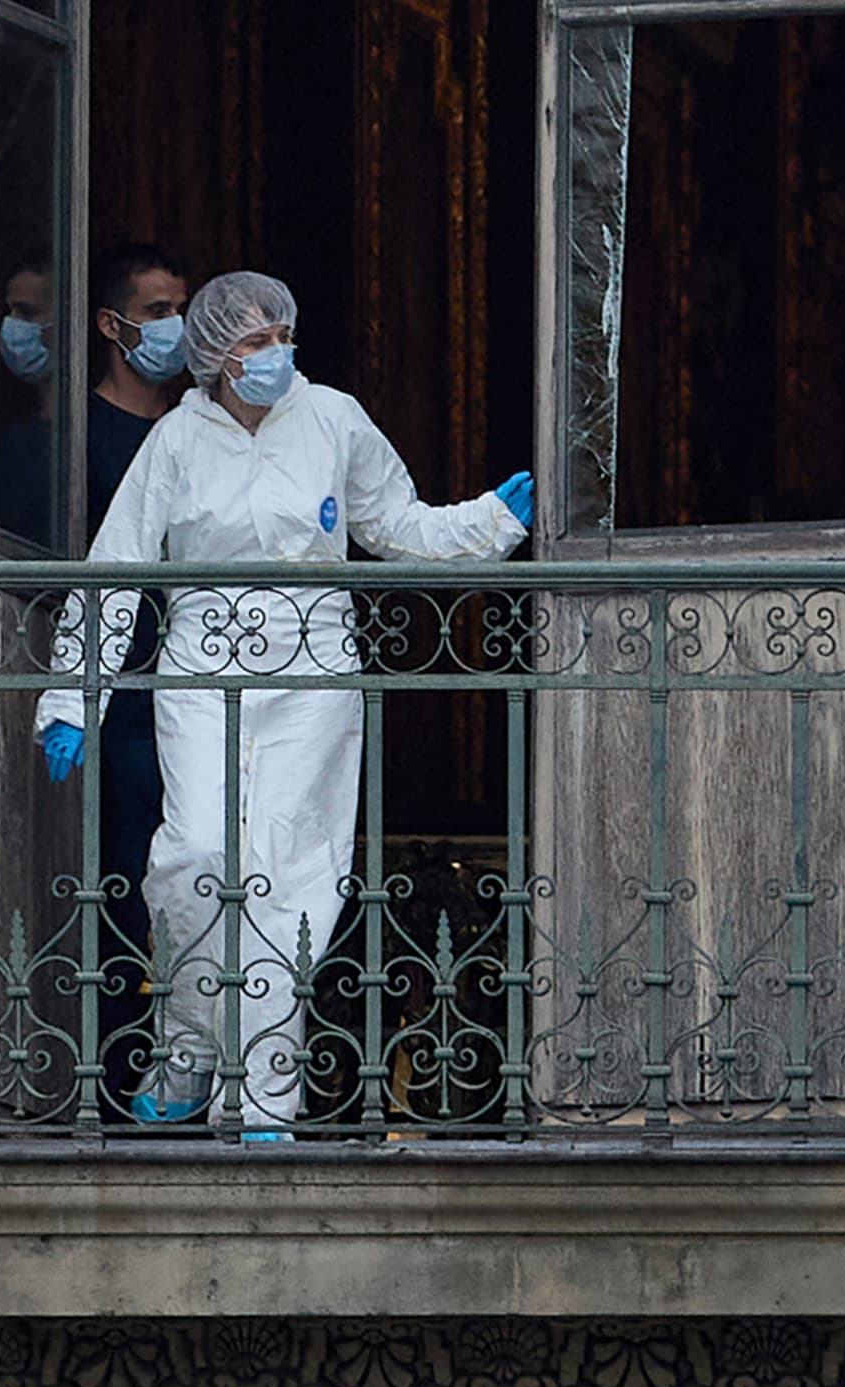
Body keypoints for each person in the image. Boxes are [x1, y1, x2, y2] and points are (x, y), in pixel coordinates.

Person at [34, 270, 534, 1138]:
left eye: (280, 336)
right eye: (253, 341)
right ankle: (188, 1055)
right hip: (201, 669)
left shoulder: (332, 417)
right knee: (193, 857)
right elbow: (117, 565)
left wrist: (488, 523)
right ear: (213, 353)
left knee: (289, 879)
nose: (273, 354)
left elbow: (396, 526)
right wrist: (75, 695)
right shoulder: (178, 439)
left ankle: (262, 1094)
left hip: (312, 672)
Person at [78, 244, 190, 1112]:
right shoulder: (73, 440)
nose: (175, 328)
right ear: (113, 326)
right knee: (122, 888)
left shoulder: (200, 430)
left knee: (204, 884)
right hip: (118, 701)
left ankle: (200, 1079)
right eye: (157, 312)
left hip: (196, 688)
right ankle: (115, 1081)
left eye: (181, 308)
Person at [0, 255, 56, 547]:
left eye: (27, 313)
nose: (13, 326)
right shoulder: (9, 437)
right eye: (10, 312)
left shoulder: (91, 435)